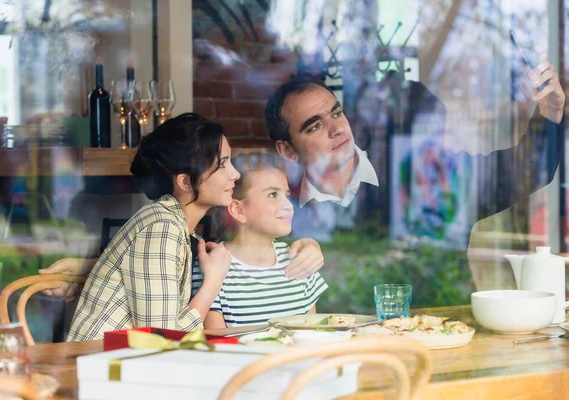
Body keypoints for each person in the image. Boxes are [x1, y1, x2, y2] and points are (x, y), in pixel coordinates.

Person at [264, 60, 565, 242]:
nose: (337, 129)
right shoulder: (277, 212)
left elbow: (519, 174)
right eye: (315, 126)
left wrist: (549, 113)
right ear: (288, 151)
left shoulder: (425, 174)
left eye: (337, 113)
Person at [67, 113, 239, 340]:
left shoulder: (178, 227)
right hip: (103, 366)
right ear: (185, 182)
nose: (235, 174)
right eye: (222, 164)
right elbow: (161, 339)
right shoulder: (161, 228)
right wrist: (213, 282)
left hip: (125, 362)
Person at [193, 152, 328, 329]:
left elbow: (311, 336)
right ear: (238, 210)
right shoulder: (211, 267)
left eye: (287, 195)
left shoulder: (300, 261)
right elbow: (220, 347)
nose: (288, 205)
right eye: (273, 195)